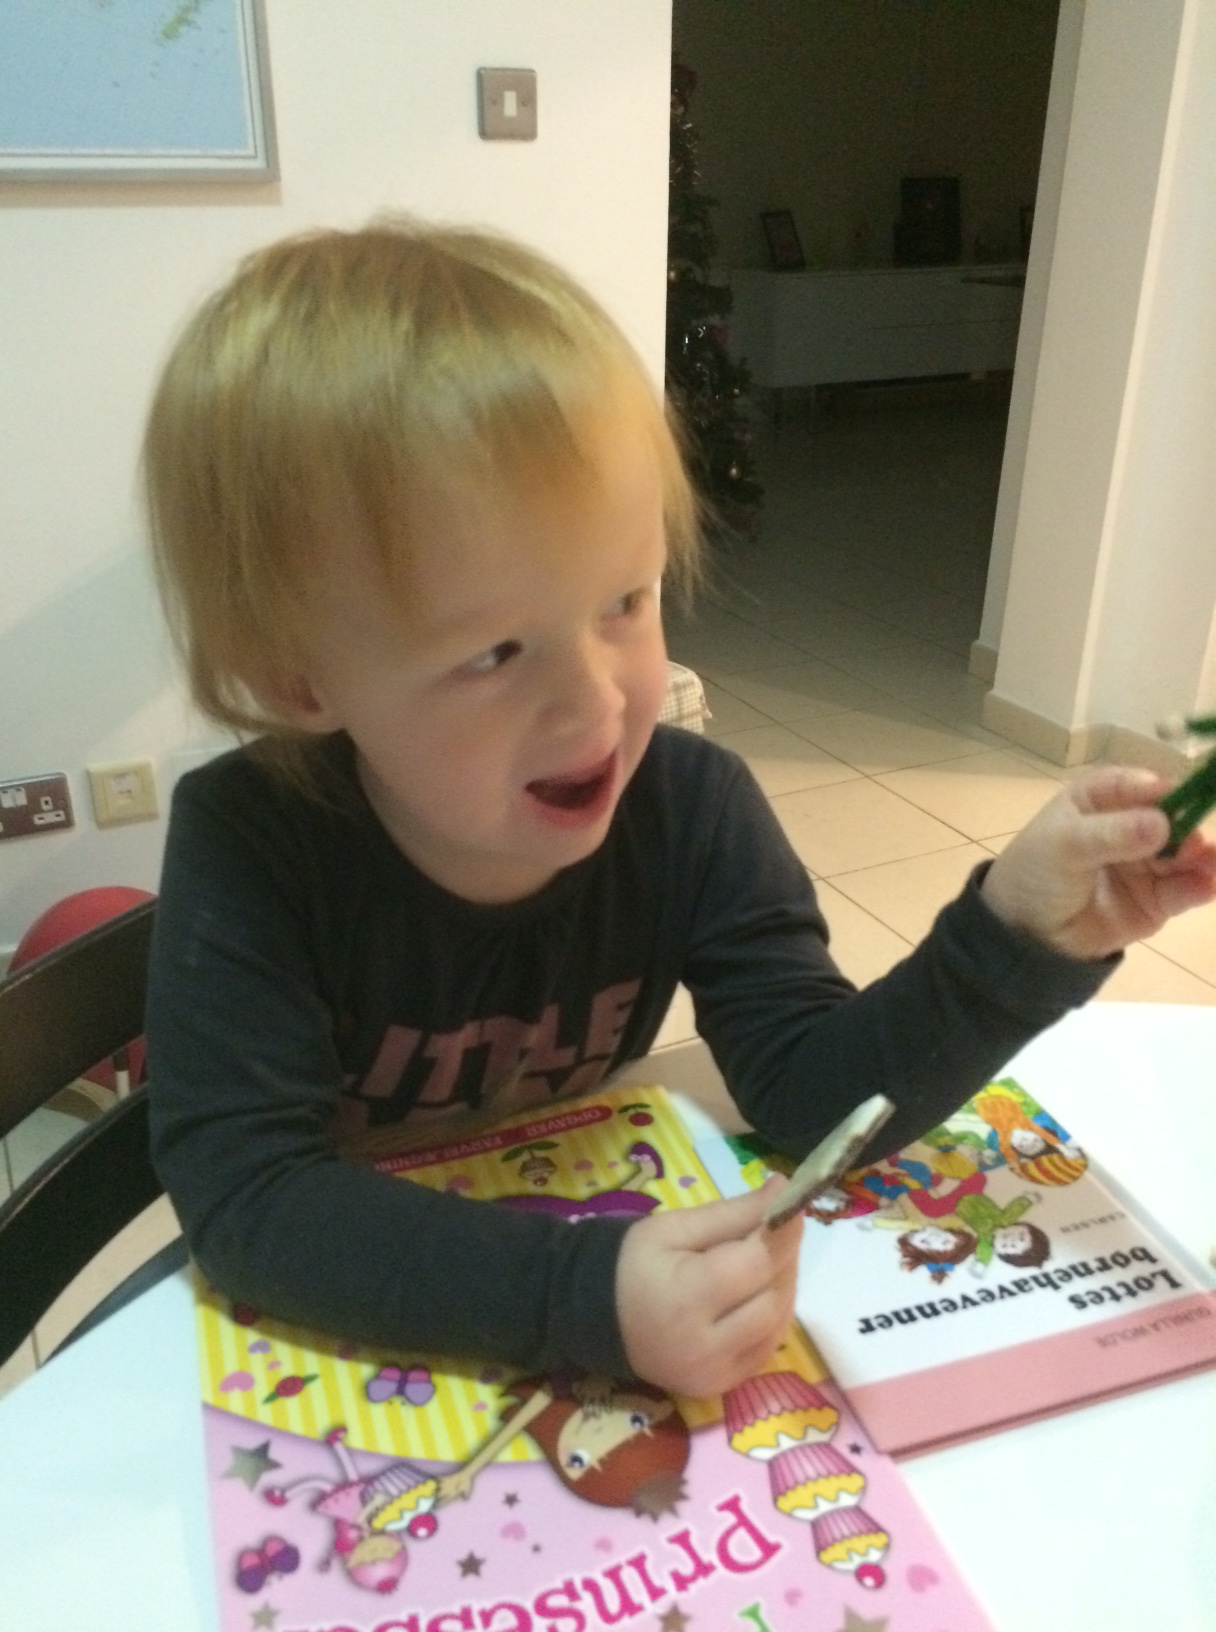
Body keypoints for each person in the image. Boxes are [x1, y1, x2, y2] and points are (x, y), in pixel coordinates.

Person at [142, 218, 1216, 1404]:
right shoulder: (252, 845)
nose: (596, 701)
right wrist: (581, 1294)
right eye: (493, 652)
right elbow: (249, 1199)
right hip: (365, 1314)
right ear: (302, 681)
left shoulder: (695, 810)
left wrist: (1016, 936)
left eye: (625, 600)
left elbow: (811, 1096)